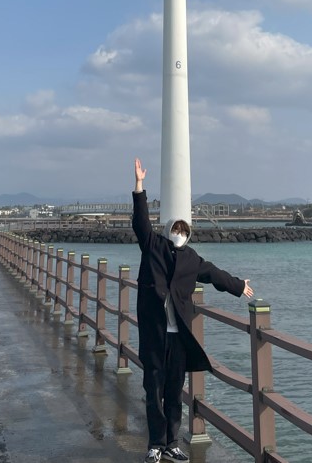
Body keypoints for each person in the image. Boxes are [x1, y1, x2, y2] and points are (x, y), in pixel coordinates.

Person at [132, 157, 254, 463]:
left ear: (188, 234)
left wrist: (238, 286)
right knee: (153, 391)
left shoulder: (191, 259)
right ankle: (155, 444)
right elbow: (141, 222)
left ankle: (172, 443)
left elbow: (213, 274)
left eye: (183, 229)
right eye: (176, 228)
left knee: (174, 392)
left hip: (179, 337)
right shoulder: (153, 246)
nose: (179, 232)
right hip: (155, 333)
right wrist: (139, 186)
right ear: (167, 230)